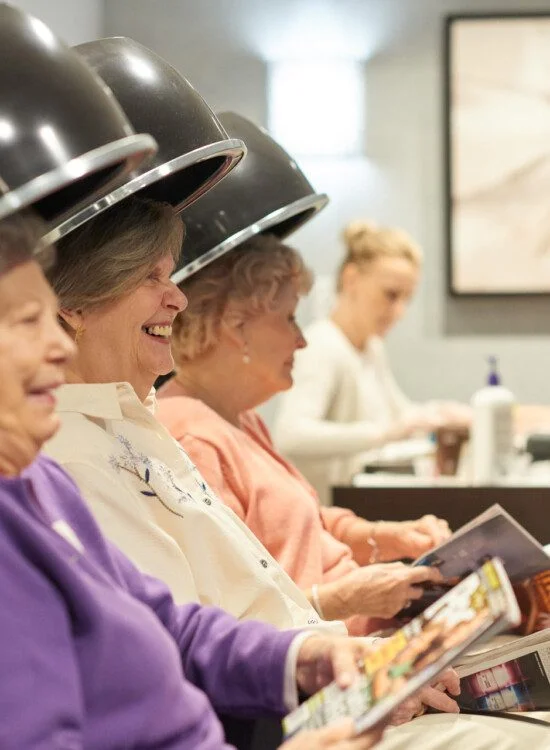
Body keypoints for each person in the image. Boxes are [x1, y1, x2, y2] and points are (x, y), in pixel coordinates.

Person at [0, 209, 393, 750]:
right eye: (27, 321)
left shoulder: (41, 478)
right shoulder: (64, 461)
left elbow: (170, 623)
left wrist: (304, 657)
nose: (60, 345)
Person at [157, 233, 449, 629]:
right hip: (328, 660)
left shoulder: (240, 417)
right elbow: (227, 618)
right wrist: (345, 599)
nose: (301, 339)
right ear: (235, 326)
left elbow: (300, 523)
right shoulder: (194, 440)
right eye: (289, 318)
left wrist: (386, 536)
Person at [274, 220, 471, 505]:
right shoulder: (323, 346)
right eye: (390, 295)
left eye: (407, 299)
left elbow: (399, 414)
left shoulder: (371, 348)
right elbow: (291, 435)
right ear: (351, 279)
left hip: (353, 507)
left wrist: (440, 413)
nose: (399, 311)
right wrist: (383, 433)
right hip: (322, 515)